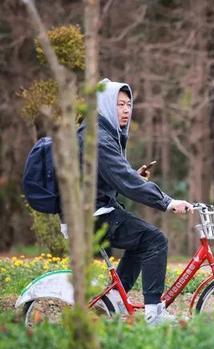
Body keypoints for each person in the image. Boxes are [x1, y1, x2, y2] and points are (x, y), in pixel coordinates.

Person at [74, 78, 193, 325]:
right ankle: (154, 313)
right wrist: (167, 202)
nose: (126, 110)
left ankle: (114, 303)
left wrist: (133, 177)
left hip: (95, 210)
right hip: (93, 216)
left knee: (142, 242)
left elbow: (110, 177)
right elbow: (123, 179)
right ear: (105, 104)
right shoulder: (98, 138)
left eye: (129, 104)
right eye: (119, 104)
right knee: (154, 240)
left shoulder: (101, 132)